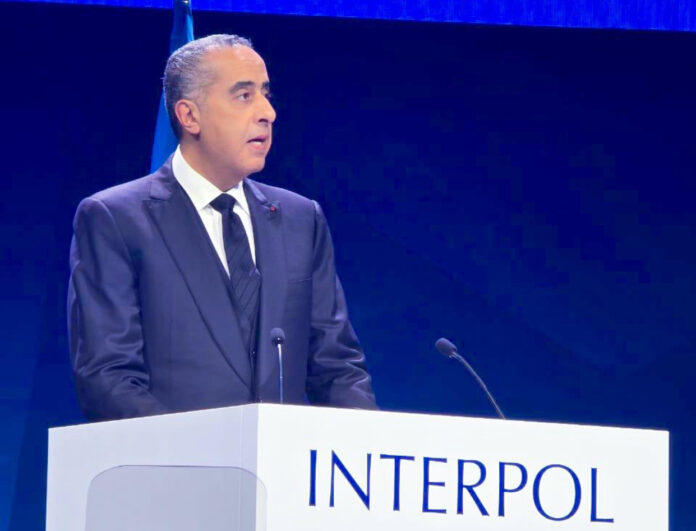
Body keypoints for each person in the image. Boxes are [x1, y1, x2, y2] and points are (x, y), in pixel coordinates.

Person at [67, 34, 376, 421]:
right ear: (189, 116)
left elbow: (338, 369)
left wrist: (365, 446)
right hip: (174, 458)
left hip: (280, 459)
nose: (268, 112)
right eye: (244, 96)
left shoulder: (302, 219)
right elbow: (108, 378)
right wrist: (199, 450)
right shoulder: (114, 219)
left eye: (266, 94)